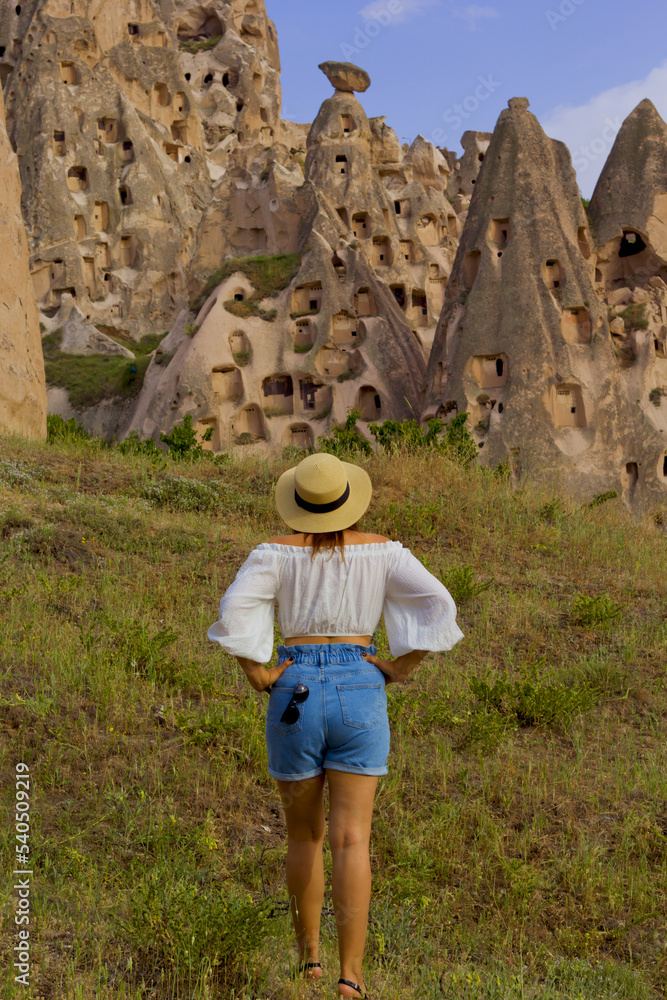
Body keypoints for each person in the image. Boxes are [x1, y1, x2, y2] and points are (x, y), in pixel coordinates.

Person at [208, 452, 464, 999]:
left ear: (298, 503)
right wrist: (401, 665)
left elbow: (233, 612)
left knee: (303, 834)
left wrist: (257, 671)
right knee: (353, 839)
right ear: (349, 499)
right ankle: (353, 977)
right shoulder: (385, 553)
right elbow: (439, 603)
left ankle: (309, 963)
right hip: (360, 686)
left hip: (293, 687)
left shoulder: (273, 554)